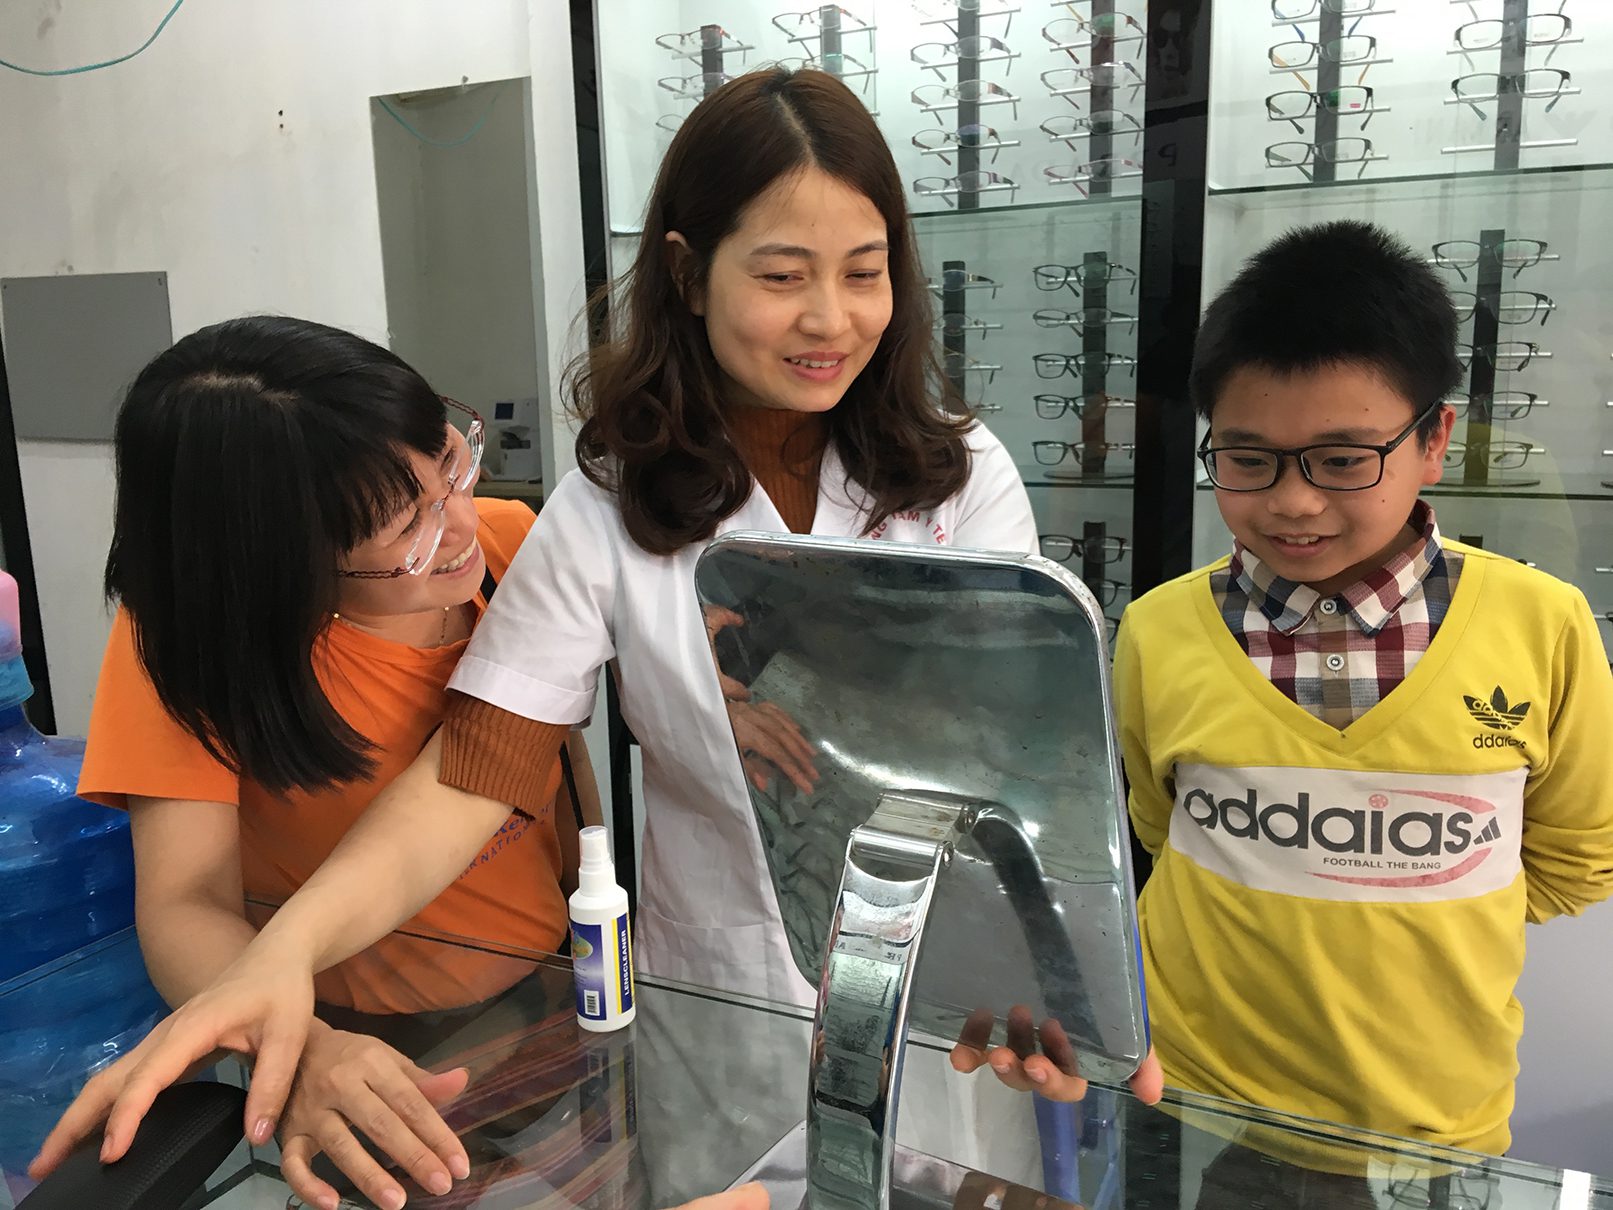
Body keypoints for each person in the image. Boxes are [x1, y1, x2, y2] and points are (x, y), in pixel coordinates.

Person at [39, 67, 1156, 1205]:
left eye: (863, 273)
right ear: (686, 270)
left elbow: (1015, 770)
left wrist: (1066, 971)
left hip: (953, 986)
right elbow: (479, 766)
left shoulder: (958, 481)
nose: (830, 318)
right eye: (780, 275)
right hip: (726, 997)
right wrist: (278, 959)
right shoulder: (611, 503)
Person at [1007, 221, 1613, 1193]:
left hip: (1432, 1135)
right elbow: (1160, 834)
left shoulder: (1539, 625)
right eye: (1247, 458)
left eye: (1339, 460)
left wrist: (1418, 920)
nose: (1291, 501)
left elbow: (1574, 855)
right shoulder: (1158, 632)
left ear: (1432, 440)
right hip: (1200, 1110)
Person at [44, 315, 608, 1209]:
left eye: (450, 467)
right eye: (404, 524)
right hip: (369, 1037)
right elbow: (185, 905)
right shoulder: (188, 646)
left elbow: (553, 767)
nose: (458, 524)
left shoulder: (509, 543)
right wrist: (304, 1048)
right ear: (271, 555)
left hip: (558, 983)